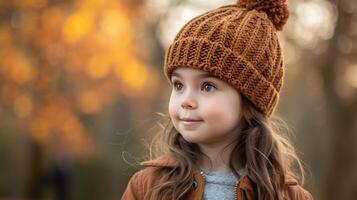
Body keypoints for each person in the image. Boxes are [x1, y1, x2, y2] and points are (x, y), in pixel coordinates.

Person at [122, 0, 314, 199]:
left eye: (207, 87)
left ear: (250, 101)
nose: (185, 100)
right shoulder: (147, 188)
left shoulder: (286, 195)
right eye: (178, 85)